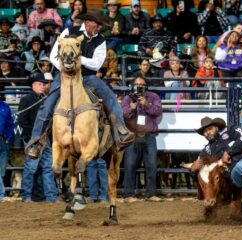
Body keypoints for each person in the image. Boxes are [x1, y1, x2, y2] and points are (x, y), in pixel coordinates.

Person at [25, 10, 135, 159]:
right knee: (48, 104)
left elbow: (96, 64)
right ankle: (36, 142)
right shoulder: (69, 31)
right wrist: (65, 67)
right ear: (88, 23)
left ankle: (121, 130)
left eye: (100, 25)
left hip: (87, 76)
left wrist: (77, 59)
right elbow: (53, 56)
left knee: (109, 95)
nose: (99, 28)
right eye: (97, 24)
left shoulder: (100, 40)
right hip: (64, 75)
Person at [189, 116, 242, 192]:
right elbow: (201, 174)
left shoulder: (230, 130)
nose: (207, 133)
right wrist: (193, 171)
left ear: (216, 127)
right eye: (204, 131)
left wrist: (228, 152)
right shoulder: (206, 151)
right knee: (238, 168)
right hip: (235, 177)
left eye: (209, 129)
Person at [121, 76, 163, 202]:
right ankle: (129, 194)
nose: (139, 86)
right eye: (137, 84)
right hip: (133, 136)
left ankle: (151, 194)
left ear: (146, 86)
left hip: (149, 136)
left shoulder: (153, 97)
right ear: (133, 86)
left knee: (151, 165)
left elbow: (158, 111)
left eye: (141, 84)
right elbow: (123, 114)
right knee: (130, 165)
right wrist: (132, 108)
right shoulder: (128, 98)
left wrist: (147, 105)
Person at [18, 72, 58, 202]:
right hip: (34, 139)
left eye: (44, 84)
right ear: (34, 85)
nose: (43, 86)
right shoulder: (27, 99)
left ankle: (50, 196)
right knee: (33, 167)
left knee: (46, 167)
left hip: (43, 138)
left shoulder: (44, 99)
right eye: (40, 84)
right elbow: (22, 120)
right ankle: (28, 196)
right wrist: (34, 134)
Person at [0, 95, 14, 202]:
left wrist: (7, 138)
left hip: (2, 141)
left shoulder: (4, 107)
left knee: (2, 170)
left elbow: (10, 124)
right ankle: (1, 194)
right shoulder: (4, 107)